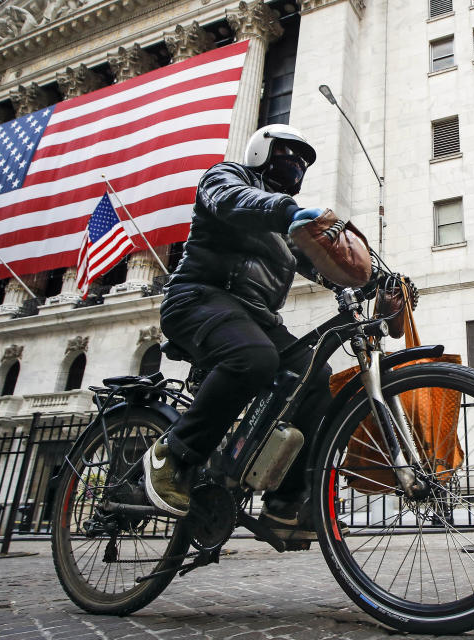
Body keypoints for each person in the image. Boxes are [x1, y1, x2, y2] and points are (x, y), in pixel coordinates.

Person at [142, 124, 340, 537]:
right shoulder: (225, 178)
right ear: (261, 151)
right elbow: (236, 202)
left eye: (304, 161)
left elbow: (325, 266)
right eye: (290, 154)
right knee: (253, 358)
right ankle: (173, 454)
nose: (297, 165)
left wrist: (375, 280)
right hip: (199, 297)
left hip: (256, 316)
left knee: (316, 374)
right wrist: (286, 211)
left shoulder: (287, 226)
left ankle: (284, 501)